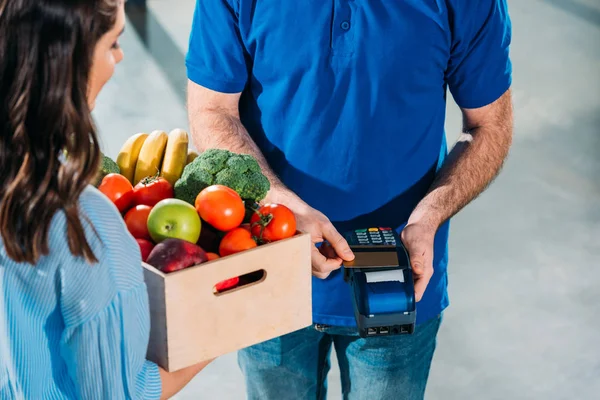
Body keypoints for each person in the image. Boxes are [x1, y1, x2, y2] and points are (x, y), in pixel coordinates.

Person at [185, 0, 514, 399]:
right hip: (270, 267)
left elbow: (489, 125)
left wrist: (430, 215)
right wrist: (280, 202)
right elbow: (212, 111)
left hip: (400, 276)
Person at [0, 1, 210, 399]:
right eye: (113, 43)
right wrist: (225, 325)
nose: (120, 56)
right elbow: (121, 392)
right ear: (73, 61)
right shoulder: (86, 222)